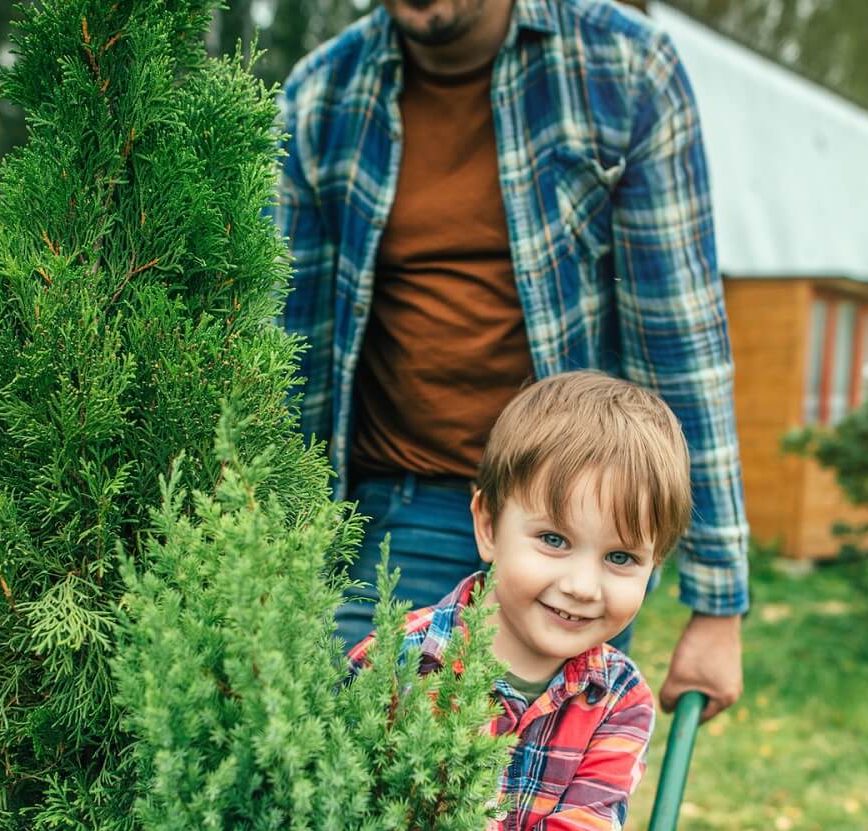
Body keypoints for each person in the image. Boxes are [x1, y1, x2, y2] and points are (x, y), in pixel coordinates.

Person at [275, 0, 750, 722]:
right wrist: (277, 551)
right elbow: (291, 360)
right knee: (370, 809)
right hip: (393, 526)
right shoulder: (322, 98)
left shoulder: (621, 69)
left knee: (551, 798)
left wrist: (718, 604)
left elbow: (678, 337)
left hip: (582, 527)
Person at [348, 372, 762, 831]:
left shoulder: (617, 697)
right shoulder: (402, 665)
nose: (581, 584)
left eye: (621, 557)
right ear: (487, 525)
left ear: (654, 565)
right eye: (553, 539)